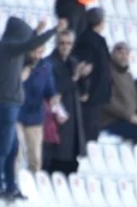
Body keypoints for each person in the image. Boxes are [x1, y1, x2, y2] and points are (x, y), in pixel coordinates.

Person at [0, 17, 59, 200]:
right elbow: (29, 44)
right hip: (6, 104)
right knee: (3, 149)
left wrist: (36, 32)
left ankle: (11, 187)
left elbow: (28, 45)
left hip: (8, 104)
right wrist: (53, 30)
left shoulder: (8, 50)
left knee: (12, 150)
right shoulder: (6, 48)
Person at [42, 29, 88, 175]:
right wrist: (74, 78)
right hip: (56, 120)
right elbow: (51, 91)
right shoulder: (48, 63)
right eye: (62, 43)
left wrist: (84, 77)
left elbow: (83, 92)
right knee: (56, 160)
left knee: (71, 163)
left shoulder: (74, 62)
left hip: (73, 117)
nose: (65, 46)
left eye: (68, 43)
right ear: (56, 44)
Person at [101, 42, 137, 144]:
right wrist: (129, 116)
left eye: (126, 53)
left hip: (129, 119)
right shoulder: (106, 72)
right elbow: (106, 100)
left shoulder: (128, 76)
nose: (124, 56)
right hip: (112, 120)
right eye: (120, 53)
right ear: (113, 54)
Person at [18, 41, 59, 173]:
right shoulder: (18, 63)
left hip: (35, 115)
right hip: (17, 113)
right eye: (34, 51)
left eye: (40, 52)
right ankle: (12, 180)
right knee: (15, 149)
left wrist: (53, 97)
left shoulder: (46, 67)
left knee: (35, 156)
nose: (36, 55)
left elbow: (50, 89)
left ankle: (33, 179)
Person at [73, 7, 110, 143]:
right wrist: (84, 89)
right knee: (88, 132)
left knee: (94, 130)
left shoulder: (96, 39)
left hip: (97, 95)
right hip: (90, 95)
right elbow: (83, 68)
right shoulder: (88, 40)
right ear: (100, 22)